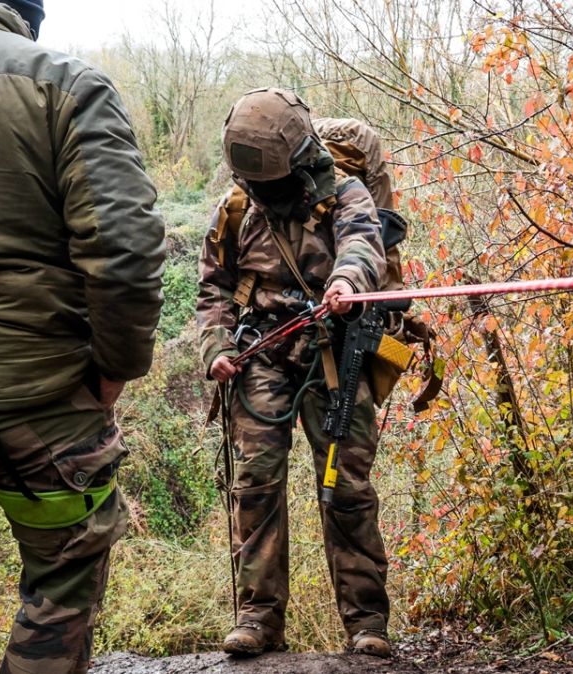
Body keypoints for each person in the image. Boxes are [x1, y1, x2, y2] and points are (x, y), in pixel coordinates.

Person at [0, 1, 166, 673]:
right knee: (63, 576)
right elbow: (123, 248)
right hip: (38, 399)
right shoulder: (62, 84)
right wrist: (115, 367)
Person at [197, 88, 393, 658]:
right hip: (260, 355)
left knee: (347, 489)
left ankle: (367, 624)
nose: (261, 195)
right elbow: (213, 288)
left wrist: (347, 282)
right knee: (254, 485)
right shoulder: (234, 210)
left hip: (335, 353)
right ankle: (257, 619)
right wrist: (215, 347)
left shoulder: (345, 194)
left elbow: (363, 241)